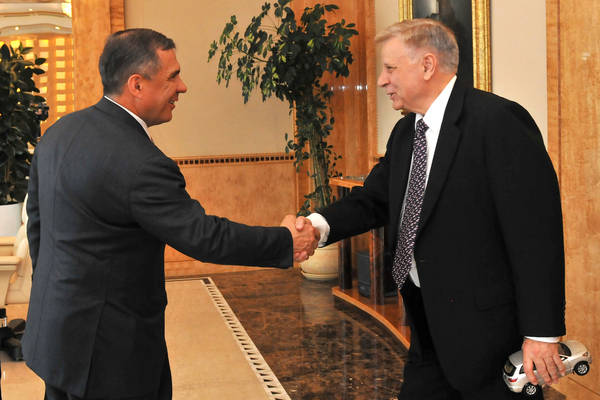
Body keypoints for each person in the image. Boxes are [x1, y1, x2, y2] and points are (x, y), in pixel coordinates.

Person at [23, 28, 318, 400]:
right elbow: (203, 236)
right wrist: (286, 241)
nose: (183, 87)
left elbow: (37, 226)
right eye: (173, 76)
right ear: (137, 84)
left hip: (55, 337)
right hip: (109, 353)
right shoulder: (140, 162)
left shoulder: (58, 133)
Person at [304, 19, 566, 399]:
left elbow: (535, 235)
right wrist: (316, 226)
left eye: (390, 68)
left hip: (488, 338)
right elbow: (373, 199)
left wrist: (541, 333)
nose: (381, 80)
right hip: (427, 329)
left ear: (427, 65)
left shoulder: (497, 122)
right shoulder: (406, 132)